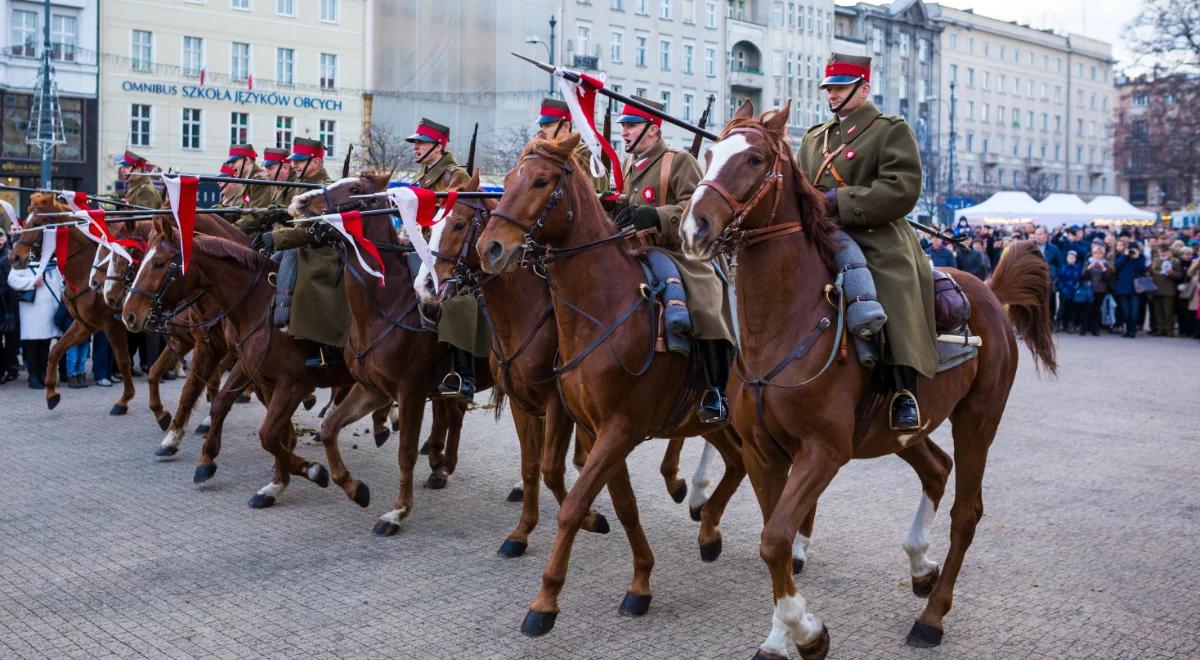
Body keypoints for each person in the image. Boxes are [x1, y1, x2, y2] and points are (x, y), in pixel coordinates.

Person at [797, 53, 936, 432]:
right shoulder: (814, 138)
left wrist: (839, 200)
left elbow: (901, 188)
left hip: (874, 234)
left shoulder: (889, 129)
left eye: (841, 87)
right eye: (829, 88)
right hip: (819, 232)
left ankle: (903, 389)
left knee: (892, 286)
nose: (833, 95)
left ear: (864, 88)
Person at [616, 96, 736, 423]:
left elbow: (694, 210)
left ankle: (716, 391)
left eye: (631, 125)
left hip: (681, 253)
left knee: (704, 307)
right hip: (636, 249)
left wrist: (654, 215)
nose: (624, 131)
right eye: (623, 126)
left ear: (652, 130)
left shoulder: (679, 160)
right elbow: (629, 203)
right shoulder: (630, 164)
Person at [404, 118, 485, 398]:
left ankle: (463, 374)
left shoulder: (455, 175)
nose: (415, 147)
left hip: (448, 250)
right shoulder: (423, 176)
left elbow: (452, 220)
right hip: (422, 245)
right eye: (415, 143)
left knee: (455, 298)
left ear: (438, 146)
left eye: (421, 143)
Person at [262, 138, 345, 368]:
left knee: (305, 270)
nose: (295, 165)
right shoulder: (303, 184)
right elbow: (298, 219)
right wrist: (277, 214)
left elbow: (313, 228)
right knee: (262, 263)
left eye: (299, 161)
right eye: (295, 162)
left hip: (324, 249)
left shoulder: (326, 187)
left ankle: (318, 339)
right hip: (305, 243)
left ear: (316, 162)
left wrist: (279, 237)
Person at [6, 252, 64, 388]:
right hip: (32, 311)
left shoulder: (52, 260)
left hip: (49, 309)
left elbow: (59, 282)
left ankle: (43, 374)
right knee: (32, 345)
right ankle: (33, 376)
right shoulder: (23, 260)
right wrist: (32, 283)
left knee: (45, 344)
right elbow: (12, 279)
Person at [535, 97, 609, 193]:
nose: (543, 131)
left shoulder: (585, 155)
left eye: (548, 125)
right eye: (542, 126)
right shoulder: (549, 156)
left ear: (565, 126)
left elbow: (594, 200)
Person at [235, 147, 292, 239]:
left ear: (285, 167)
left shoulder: (262, 181)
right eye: (266, 169)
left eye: (270, 168)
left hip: (283, 236)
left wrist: (232, 229)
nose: (267, 173)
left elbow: (258, 215)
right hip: (276, 234)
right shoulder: (276, 184)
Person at [1113, 241, 1147, 337]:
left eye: (1134, 249)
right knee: (1126, 311)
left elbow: (1142, 270)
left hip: (1135, 289)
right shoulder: (1122, 256)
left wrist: (1137, 257)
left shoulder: (1140, 258)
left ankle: (1133, 331)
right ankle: (1128, 330)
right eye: (1130, 249)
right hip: (1123, 288)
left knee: (1134, 311)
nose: (1132, 251)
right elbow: (1117, 266)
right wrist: (1125, 255)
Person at [0, 230, 20, 383]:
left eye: (1, 236)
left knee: (12, 340)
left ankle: (12, 368)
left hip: (10, 304)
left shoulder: (11, 255)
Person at [1080, 244, 1113, 336]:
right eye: (1095, 253)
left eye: (1100, 254)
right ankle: (1084, 328)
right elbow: (1083, 276)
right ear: (1093, 254)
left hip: (1100, 290)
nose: (1098, 255)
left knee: (1097, 310)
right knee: (1086, 309)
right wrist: (1088, 268)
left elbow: (1108, 278)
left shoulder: (1105, 263)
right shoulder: (1088, 262)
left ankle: (1095, 329)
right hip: (1089, 289)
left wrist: (1103, 268)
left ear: (1103, 254)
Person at [1150, 246, 1182, 336]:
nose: (1163, 254)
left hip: (1169, 290)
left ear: (1170, 252)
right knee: (1158, 311)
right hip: (1156, 289)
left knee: (1168, 312)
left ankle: (1169, 330)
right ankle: (1160, 329)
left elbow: (1180, 275)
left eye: (1165, 252)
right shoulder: (1155, 261)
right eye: (1161, 252)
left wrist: (1172, 273)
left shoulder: (1175, 261)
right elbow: (1152, 272)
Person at [1056, 250, 1083, 332]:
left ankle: (1070, 325)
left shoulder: (1078, 268)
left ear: (1075, 259)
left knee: (1072, 310)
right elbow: (1059, 280)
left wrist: (1076, 288)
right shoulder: (1062, 267)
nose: (1071, 259)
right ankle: (1058, 324)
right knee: (1062, 308)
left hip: (1074, 292)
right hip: (1063, 291)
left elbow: (1080, 279)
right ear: (1067, 258)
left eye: (1073, 257)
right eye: (1070, 257)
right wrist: (1062, 289)